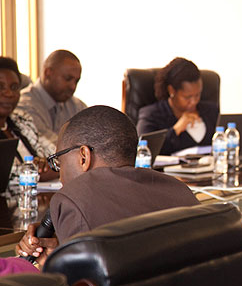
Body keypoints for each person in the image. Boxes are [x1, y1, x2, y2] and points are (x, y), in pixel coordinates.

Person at [16, 105, 199, 266]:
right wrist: (60, 259)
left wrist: (50, 271)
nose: (60, 173)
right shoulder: (179, 190)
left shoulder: (74, 198)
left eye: (59, 161)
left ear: (83, 156)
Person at [136, 57, 219, 155]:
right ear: (171, 90)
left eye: (197, 95)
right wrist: (176, 130)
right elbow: (143, 151)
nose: (194, 101)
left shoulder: (212, 111)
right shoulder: (151, 115)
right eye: (187, 97)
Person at [0, 57, 57, 182]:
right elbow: (7, 175)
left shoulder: (23, 121)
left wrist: (48, 165)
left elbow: (56, 155)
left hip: (36, 198)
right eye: (1, 87)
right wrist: (42, 172)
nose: (9, 93)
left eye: (14, 87)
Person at [17, 50, 87, 145]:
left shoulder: (76, 106)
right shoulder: (24, 106)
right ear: (48, 73)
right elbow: (47, 146)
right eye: (68, 79)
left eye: (76, 81)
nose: (73, 86)